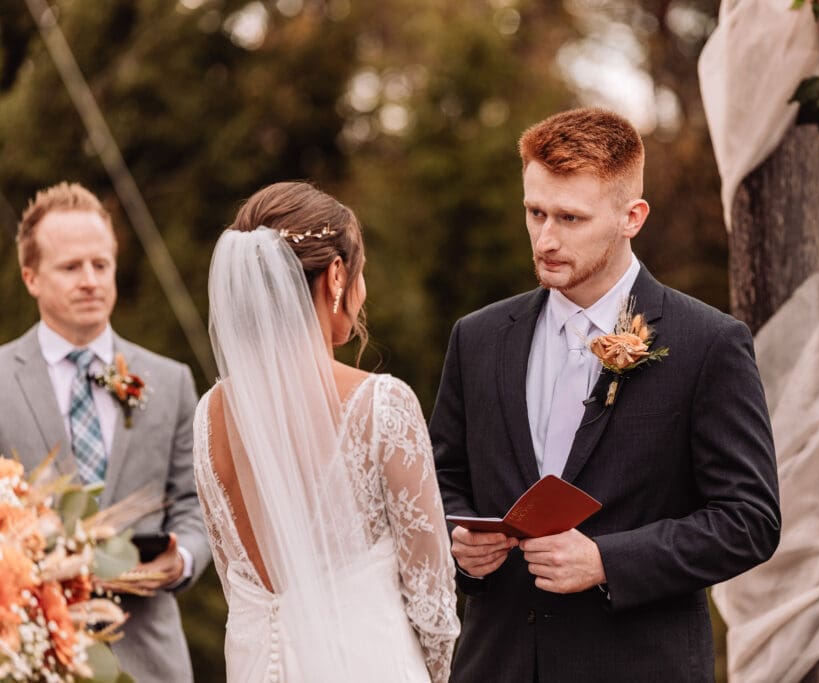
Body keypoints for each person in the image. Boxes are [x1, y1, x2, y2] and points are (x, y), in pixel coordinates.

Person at [431, 108, 781, 681]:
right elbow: (442, 482)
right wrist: (460, 546)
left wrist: (607, 561)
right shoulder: (478, 338)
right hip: (496, 664)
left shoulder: (708, 343)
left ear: (631, 217)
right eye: (535, 212)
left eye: (570, 218)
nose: (545, 239)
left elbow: (750, 521)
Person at [194, 181, 459, 682]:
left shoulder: (210, 414)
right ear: (337, 274)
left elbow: (234, 575)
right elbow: (431, 597)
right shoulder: (381, 403)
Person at [0, 182, 211, 682]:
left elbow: (196, 504)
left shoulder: (170, 380)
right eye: (71, 267)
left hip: (150, 658)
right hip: (29, 656)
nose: (90, 280)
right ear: (31, 277)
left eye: (101, 264)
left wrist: (179, 561)